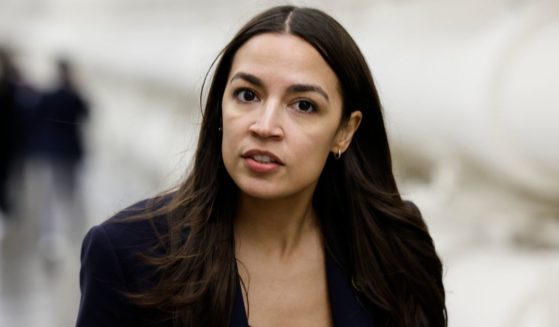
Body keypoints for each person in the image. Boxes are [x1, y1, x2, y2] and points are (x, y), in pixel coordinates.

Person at [77, 5, 446, 327]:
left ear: (344, 132)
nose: (265, 126)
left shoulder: (395, 247)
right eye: (247, 95)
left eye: (303, 105)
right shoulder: (128, 255)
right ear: (220, 109)